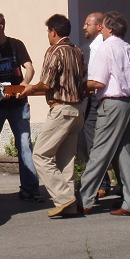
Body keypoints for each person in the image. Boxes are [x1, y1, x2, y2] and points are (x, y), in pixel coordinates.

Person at [79, 12, 130, 198]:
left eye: (103, 26)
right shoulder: (128, 48)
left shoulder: (105, 48)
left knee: (99, 152)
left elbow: (98, 82)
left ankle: (84, 198)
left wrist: (78, 85)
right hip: (128, 104)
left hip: (112, 105)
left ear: (109, 29)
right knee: (126, 155)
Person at [21, 14, 86, 217]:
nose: (48, 35)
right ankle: (70, 204)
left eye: (48, 31)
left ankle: (64, 198)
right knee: (66, 159)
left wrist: (29, 88)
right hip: (77, 108)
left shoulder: (54, 51)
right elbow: (82, 76)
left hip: (61, 108)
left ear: (54, 32)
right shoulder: (77, 51)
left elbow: (46, 83)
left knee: (40, 155)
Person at [0, 12, 41, 201]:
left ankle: (30, 188)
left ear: (1, 27)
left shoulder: (16, 45)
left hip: (18, 104)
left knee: (24, 145)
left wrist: (24, 84)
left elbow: (29, 67)